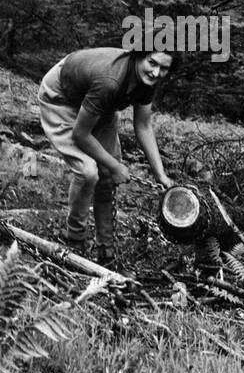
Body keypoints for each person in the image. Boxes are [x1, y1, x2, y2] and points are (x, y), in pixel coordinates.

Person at [38, 45, 174, 265]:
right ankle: (74, 241)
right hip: (61, 97)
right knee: (88, 171)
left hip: (97, 107)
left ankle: (106, 253)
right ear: (138, 56)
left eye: (164, 68)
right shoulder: (109, 81)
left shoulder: (147, 80)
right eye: (152, 62)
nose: (156, 72)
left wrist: (161, 175)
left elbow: (144, 125)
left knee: (107, 177)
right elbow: (81, 135)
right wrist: (115, 165)